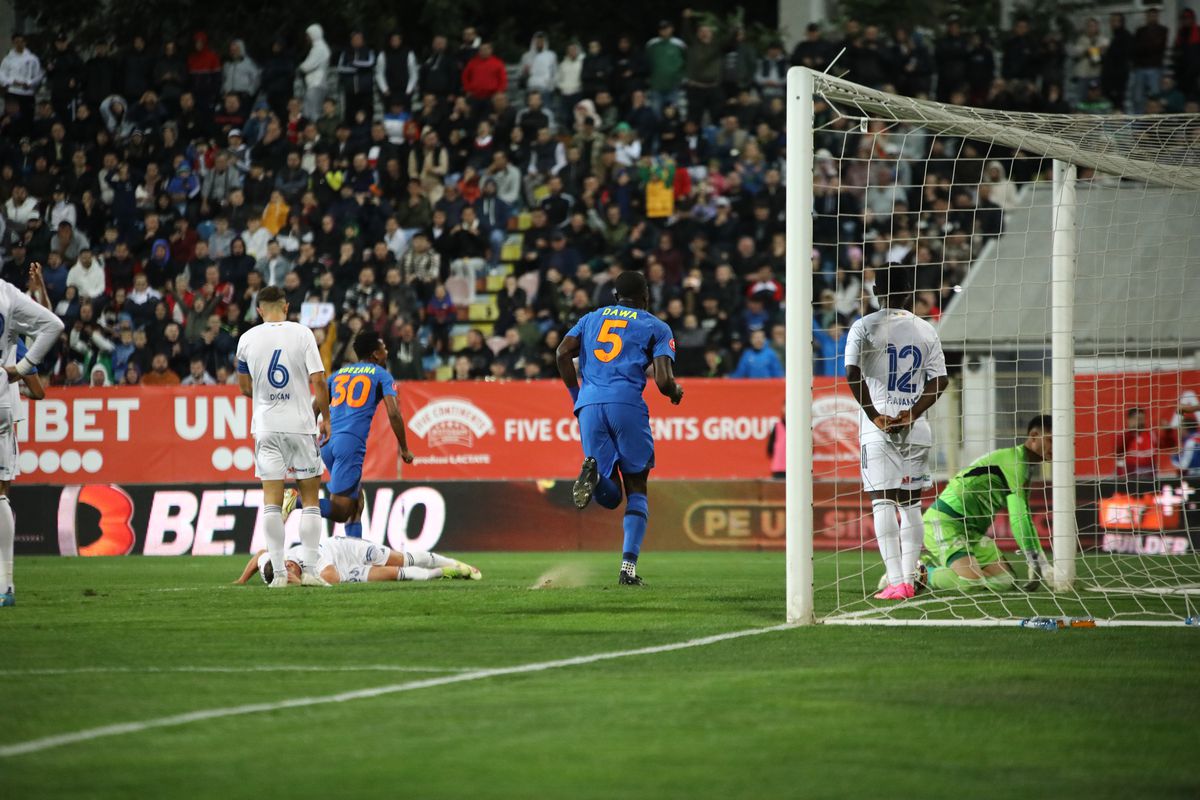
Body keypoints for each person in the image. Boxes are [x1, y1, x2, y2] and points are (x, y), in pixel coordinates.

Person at [556, 270, 684, 585]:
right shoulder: (656, 326)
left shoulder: (590, 319)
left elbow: (561, 352)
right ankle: (627, 569)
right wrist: (675, 393)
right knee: (636, 486)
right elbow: (664, 381)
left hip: (589, 406)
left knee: (610, 496)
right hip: (626, 403)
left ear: (615, 296)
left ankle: (596, 476)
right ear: (646, 297)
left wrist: (576, 397)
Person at [844, 263, 948, 601]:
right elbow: (941, 380)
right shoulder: (926, 329)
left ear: (876, 291)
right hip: (915, 427)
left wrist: (875, 415)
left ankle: (896, 581)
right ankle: (908, 578)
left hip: (879, 427)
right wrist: (912, 413)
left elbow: (852, 373)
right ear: (909, 293)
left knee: (882, 502)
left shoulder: (864, 326)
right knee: (911, 504)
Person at [235, 285, 331, 589]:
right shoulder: (303, 334)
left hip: (266, 427)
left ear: (259, 310)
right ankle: (311, 572)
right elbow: (319, 380)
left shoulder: (246, 339)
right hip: (300, 425)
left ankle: (278, 574)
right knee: (311, 500)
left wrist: (266, 398)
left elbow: (244, 387)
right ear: (286, 306)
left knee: (272, 504)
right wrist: (326, 418)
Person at [283, 329, 414, 540]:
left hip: (327, 444)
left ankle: (355, 552)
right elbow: (394, 413)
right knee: (342, 511)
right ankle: (296, 500)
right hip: (349, 445)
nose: (387, 351)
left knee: (356, 502)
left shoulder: (339, 374)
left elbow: (314, 409)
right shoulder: (381, 375)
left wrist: (306, 439)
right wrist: (404, 448)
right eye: (383, 347)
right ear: (376, 354)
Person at [920, 415, 1053, 594]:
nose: (1055, 447)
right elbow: (1018, 518)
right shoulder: (1015, 462)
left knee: (1006, 581)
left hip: (971, 532)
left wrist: (1040, 560)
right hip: (946, 521)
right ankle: (920, 573)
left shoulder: (1024, 468)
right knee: (972, 583)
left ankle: (953, 569)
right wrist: (1033, 559)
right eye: (1051, 440)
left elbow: (1026, 518)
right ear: (1034, 436)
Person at [0, 263, 66, 608]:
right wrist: (20, 376)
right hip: (3, 407)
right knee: (1, 496)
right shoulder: (10, 306)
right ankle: (6, 584)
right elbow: (49, 325)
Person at [236, 536, 480, 585]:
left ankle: (452, 562)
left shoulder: (309, 557)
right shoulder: (273, 564)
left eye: (288, 578)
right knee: (394, 575)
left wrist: (302, 583)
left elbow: (331, 578)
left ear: (289, 566)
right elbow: (259, 555)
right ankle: (446, 573)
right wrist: (242, 580)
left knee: (401, 559)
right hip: (343, 570)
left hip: (348, 550)